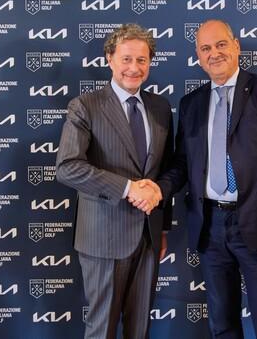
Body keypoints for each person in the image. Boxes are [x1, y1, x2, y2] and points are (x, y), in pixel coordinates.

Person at [158, 19, 257, 338]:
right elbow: (182, 164)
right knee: (222, 325)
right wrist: (157, 189)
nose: (214, 53)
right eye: (205, 48)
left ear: (236, 46)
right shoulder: (191, 103)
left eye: (221, 44)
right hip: (209, 226)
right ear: (198, 57)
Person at [56, 23, 173, 339]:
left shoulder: (161, 107)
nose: (134, 68)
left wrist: (162, 228)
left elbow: (165, 169)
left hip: (148, 237)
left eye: (142, 60)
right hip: (103, 237)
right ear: (109, 59)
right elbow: (67, 167)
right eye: (126, 59)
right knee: (102, 329)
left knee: (140, 330)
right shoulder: (86, 106)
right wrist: (127, 187)